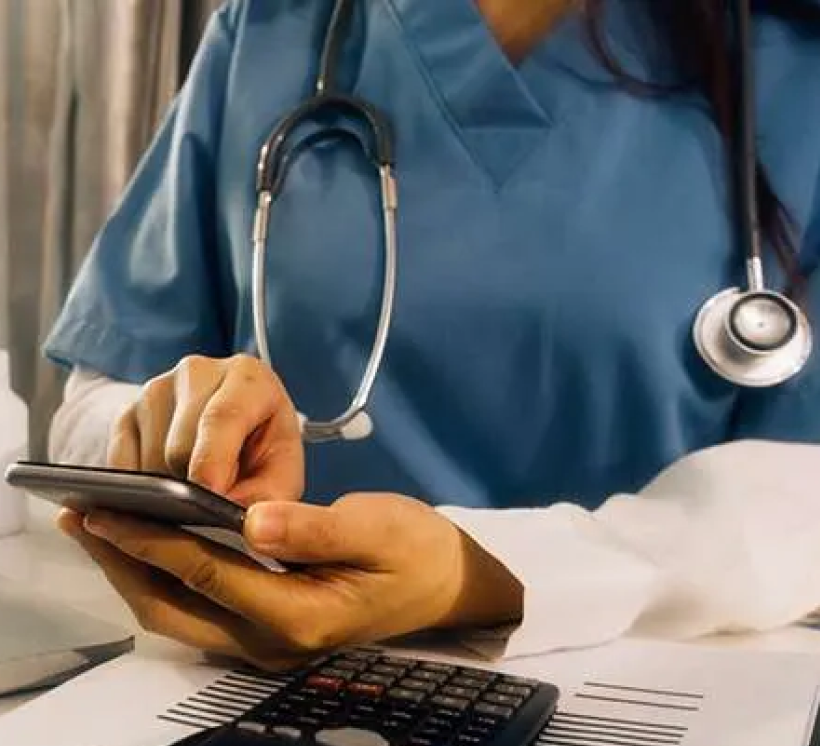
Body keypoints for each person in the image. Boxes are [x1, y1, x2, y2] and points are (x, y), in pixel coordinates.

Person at [45, 0, 820, 669]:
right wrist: (178, 439)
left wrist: (482, 574)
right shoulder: (271, 28)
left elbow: (801, 496)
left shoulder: (790, 64)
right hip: (247, 693)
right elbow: (94, 403)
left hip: (652, 722)